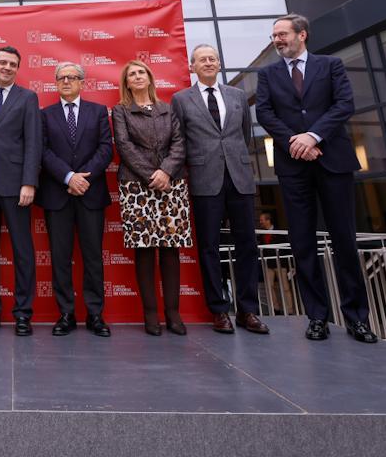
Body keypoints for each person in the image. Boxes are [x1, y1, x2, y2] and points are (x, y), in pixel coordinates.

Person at [256, 13, 377, 343]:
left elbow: (344, 104)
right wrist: (295, 142)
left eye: (282, 34)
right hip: (293, 166)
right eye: (274, 35)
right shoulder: (267, 75)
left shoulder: (331, 65)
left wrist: (313, 136)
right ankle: (317, 317)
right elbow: (264, 113)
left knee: (344, 240)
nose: (277, 40)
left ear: (302, 35)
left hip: (333, 161)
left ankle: (357, 318)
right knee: (303, 243)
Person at [170, 45, 268, 335]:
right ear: (192, 67)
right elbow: (179, 140)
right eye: (202, 60)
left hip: (239, 177)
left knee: (247, 245)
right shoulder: (181, 99)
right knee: (209, 247)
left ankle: (248, 311)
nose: (209, 63)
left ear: (219, 64)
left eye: (213, 59)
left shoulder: (237, 95)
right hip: (204, 179)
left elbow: (244, 135)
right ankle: (219, 310)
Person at [111, 59, 188, 336]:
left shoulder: (168, 109)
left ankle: (173, 314)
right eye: (131, 74)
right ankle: (151, 315)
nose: (137, 76)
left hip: (171, 184)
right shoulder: (120, 111)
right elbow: (124, 145)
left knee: (170, 250)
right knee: (144, 250)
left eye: (141, 72)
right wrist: (151, 175)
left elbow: (179, 143)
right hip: (136, 186)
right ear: (127, 83)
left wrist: (165, 172)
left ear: (150, 78)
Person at [38, 62, 113, 337]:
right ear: (56, 83)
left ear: (83, 82)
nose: (67, 81)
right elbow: (43, 151)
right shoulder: (45, 115)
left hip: (90, 193)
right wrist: (68, 177)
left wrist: (83, 179)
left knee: (93, 257)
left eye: (72, 77)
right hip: (57, 194)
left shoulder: (98, 111)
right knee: (60, 258)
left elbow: (105, 149)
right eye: (61, 78)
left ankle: (95, 315)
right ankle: (66, 313)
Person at [0, 46, 42, 336]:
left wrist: (29, 182)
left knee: (22, 249)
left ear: (17, 69)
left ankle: (23, 313)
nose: (7, 67)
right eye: (3, 62)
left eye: (13, 64)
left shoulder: (27, 98)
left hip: (16, 183)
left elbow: (34, 141)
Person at [257, 211, 295, 315]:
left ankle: (290, 310)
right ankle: (276, 308)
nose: (260, 222)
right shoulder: (261, 234)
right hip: (268, 264)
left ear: (268, 220)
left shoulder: (279, 232)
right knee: (269, 287)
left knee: (285, 287)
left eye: (262, 220)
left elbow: (287, 248)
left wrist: (290, 265)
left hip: (280, 263)